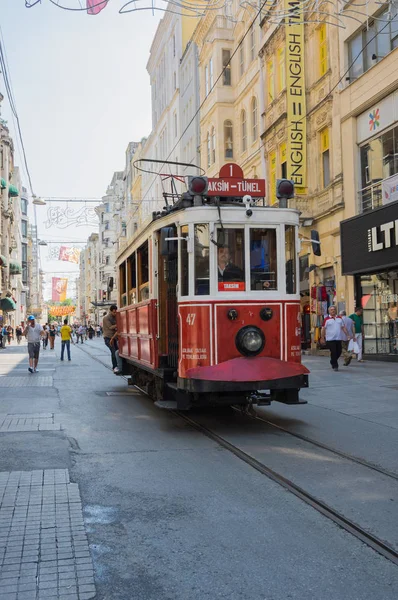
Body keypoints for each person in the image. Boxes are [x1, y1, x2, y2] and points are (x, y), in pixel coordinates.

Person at [320, 306, 350, 371]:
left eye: (334, 310)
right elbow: (323, 329)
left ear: (336, 310)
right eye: (331, 310)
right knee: (333, 352)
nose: (333, 311)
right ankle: (335, 365)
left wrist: (347, 335)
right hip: (330, 339)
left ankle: (332, 360)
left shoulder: (339, 318)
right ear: (329, 311)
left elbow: (343, 327)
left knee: (339, 351)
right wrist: (322, 338)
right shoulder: (326, 319)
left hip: (338, 338)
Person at [103, 305, 120, 373]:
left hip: (114, 338)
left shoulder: (115, 316)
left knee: (117, 351)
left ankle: (118, 365)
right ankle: (114, 367)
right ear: (110, 311)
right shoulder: (106, 318)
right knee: (114, 351)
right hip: (108, 338)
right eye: (114, 312)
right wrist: (119, 324)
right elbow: (110, 327)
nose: (115, 313)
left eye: (116, 312)